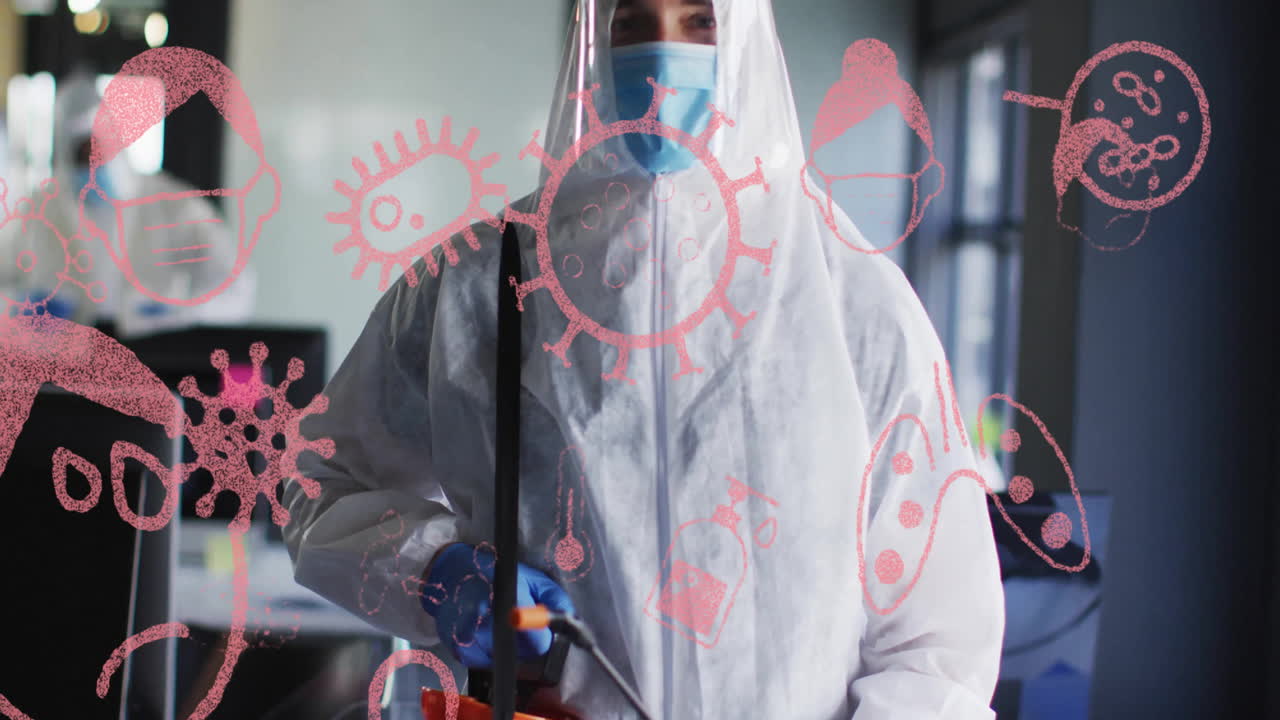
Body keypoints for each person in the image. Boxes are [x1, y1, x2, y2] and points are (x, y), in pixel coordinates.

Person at [283, 0, 1004, 717]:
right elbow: (321, 481)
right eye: (629, 22)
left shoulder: (852, 300)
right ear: (591, 44)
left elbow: (939, 639)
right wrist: (432, 572)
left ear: (745, 36)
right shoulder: (479, 284)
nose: (662, 60)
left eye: (700, 22)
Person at [45, 66, 262, 337]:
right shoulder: (41, 210)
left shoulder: (176, 206)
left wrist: (182, 310)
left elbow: (236, 290)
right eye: (81, 155)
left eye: (98, 150)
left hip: (157, 353)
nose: (92, 165)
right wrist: (18, 304)